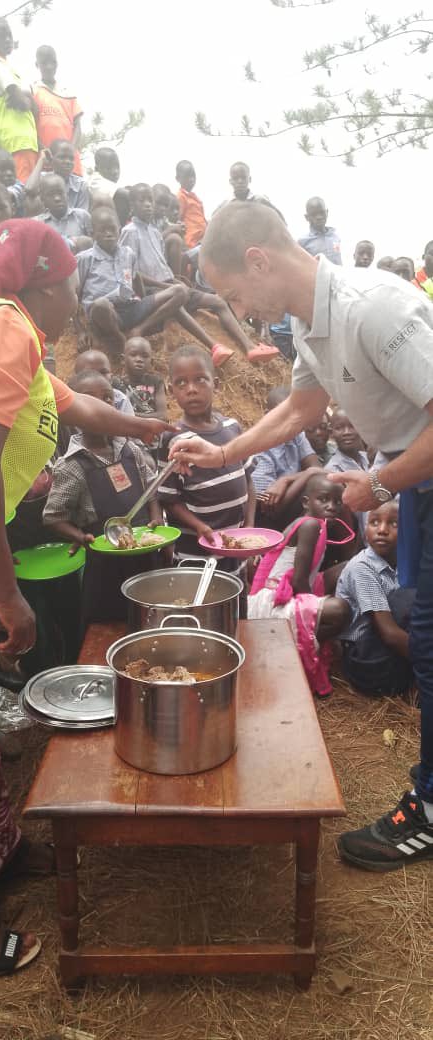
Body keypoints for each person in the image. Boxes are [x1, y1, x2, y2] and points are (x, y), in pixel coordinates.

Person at [169, 199, 433, 872]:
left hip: (419, 480)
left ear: (258, 261)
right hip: (415, 482)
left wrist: (381, 481)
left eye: (233, 293)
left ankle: (429, 806)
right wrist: (223, 454)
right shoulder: (308, 323)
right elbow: (300, 407)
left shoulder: (372, 307)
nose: (240, 310)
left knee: (428, 639)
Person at [0, 220, 172, 942]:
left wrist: (145, 429)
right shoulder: (3, 327)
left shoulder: (18, 335)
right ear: (46, 285)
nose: (77, 303)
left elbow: (75, 406)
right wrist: (6, 593)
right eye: (74, 290)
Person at [43, 369, 161, 625]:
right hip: (105, 562)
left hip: (146, 552)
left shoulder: (130, 449)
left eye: (107, 398)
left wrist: (155, 518)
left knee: (151, 616)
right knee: (110, 624)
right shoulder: (71, 465)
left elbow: (151, 490)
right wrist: (80, 537)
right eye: (90, 398)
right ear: (75, 409)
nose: (101, 404)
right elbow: (53, 517)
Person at [121, 183, 278, 364]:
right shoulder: (129, 232)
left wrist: (174, 281)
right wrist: (165, 286)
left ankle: (250, 347)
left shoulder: (155, 232)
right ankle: (214, 346)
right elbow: (132, 273)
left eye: (150, 200)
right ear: (132, 204)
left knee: (218, 301)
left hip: (168, 285)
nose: (148, 204)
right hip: (152, 291)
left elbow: (161, 266)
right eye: (142, 200)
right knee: (176, 301)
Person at [158, 344, 256, 614]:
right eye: (181, 382)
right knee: (200, 615)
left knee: (236, 611)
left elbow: (248, 480)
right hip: (196, 555)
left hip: (234, 549)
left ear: (216, 383)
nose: (191, 389)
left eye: (200, 379)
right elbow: (169, 499)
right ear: (172, 391)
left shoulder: (232, 428)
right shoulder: (174, 439)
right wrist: (201, 527)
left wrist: (249, 528)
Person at [249, 473, 350, 697]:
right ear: (306, 502)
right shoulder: (310, 525)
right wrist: (313, 609)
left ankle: (306, 635)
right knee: (340, 610)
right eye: (323, 499)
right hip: (271, 602)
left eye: (337, 501)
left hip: (287, 591)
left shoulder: (319, 523)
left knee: (348, 568)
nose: (332, 506)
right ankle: (300, 646)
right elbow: (298, 581)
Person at [78, 204, 202, 359]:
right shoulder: (85, 259)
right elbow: (75, 297)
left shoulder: (127, 254)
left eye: (112, 228)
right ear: (92, 233)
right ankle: (119, 337)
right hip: (107, 314)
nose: (108, 233)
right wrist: (83, 330)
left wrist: (145, 304)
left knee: (180, 291)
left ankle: (140, 329)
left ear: (119, 229)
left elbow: (136, 280)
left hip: (131, 307)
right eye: (102, 230)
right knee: (100, 304)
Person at [337, 501, 415, 697]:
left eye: (393, 524)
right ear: (365, 530)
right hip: (367, 661)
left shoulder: (403, 561)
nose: (382, 530)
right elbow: (389, 633)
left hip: (390, 649)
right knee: (409, 595)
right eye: (374, 522)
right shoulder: (362, 568)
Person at [0, 14, 38, 182]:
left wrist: (27, 99)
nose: (7, 39)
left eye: (9, 35)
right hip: (15, 141)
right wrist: (27, 99)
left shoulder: (6, 65)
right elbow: (21, 100)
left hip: (24, 141)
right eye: (1, 35)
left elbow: (28, 101)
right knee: (23, 195)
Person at [252, 386, 320, 525]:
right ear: (267, 415)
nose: (292, 421)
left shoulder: (296, 435)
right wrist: (309, 473)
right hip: (266, 519)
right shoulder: (260, 445)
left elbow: (317, 469)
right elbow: (267, 506)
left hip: (291, 504)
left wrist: (286, 480)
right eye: (284, 415)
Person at [33, 44, 83, 175]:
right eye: (44, 63)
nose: (49, 66)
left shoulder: (68, 92)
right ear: (37, 65)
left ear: (57, 64)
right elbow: (29, 126)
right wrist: (44, 150)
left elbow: (78, 126)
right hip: (47, 163)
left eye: (52, 62)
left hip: (71, 164)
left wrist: (71, 151)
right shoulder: (33, 90)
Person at [27, 138, 90, 211]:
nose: (68, 161)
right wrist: (41, 160)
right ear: (50, 158)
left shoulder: (81, 185)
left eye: (71, 158)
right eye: (62, 157)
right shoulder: (43, 178)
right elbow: (29, 189)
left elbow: (82, 216)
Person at [36, 172, 92, 253]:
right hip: (50, 265)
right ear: (42, 199)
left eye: (60, 193)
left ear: (67, 194)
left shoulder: (82, 216)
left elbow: (94, 245)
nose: (57, 198)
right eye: (51, 194)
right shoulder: (38, 223)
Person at [73, 349, 134, 416]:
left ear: (111, 376)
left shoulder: (120, 400)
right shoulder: (70, 399)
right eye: (90, 372)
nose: (97, 377)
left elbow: (129, 424)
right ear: (76, 378)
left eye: (103, 372)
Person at [119, 337, 167, 419]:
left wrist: (128, 415)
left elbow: (162, 416)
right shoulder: (116, 384)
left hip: (151, 429)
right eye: (133, 355)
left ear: (151, 362)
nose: (139, 359)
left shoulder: (156, 382)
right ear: (123, 360)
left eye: (145, 356)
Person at [298, 196, 342, 265]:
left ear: (327, 212)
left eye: (322, 212)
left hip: (338, 275)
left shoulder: (335, 236)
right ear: (307, 217)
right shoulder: (302, 242)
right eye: (314, 214)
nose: (319, 217)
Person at [325, 408, 370, 475]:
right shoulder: (332, 471)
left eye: (353, 426)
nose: (347, 432)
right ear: (331, 433)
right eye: (339, 428)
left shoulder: (369, 458)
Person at [175, 159, 206, 251]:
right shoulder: (181, 197)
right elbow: (178, 221)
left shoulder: (194, 197)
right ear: (178, 178)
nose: (191, 179)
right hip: (191, 242)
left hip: (202, 239)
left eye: (193, 175)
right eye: (187, 176)